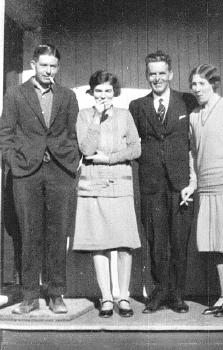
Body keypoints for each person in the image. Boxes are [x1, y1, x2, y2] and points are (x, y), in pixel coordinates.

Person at [0, 44, 80, 314]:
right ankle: (30, 295)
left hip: (59, 171)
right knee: (29, 233)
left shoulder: (67, 96)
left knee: (58, 233)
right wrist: (12, 159)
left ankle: (56, 293)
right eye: (44, 65)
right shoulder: (15, 94)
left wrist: (71, 161)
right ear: (34, 64)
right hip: (25, 172)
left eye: (53, 66)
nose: (49, 71)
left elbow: (73, 133)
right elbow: (6, 132)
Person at [129, 50, 197, 314]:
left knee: (179, 241)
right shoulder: (138, 106)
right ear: (147, 76)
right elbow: (133, 145)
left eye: (161, 73)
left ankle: (177, 295)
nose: (157, 78)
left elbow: (195, 141)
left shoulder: (187, 102)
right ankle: (159, 293)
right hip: (152, 186)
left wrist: (192, 178)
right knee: (156, 242)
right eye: (152, 73)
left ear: (170, 74)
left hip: (182, 185)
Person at [72, 70, 141, 318]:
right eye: (98, 91)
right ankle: (106, 297)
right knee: (98, 244)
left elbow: (136, 148)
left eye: (108, 91)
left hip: (120, 185)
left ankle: (123, 295)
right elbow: (86, 149)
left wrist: (109, 158)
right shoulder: (83, 116)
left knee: (124, 245)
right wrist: (97, 118)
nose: (103, 95)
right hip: (94, 187)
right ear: (92, 92)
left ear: (115, 93)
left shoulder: (125, 115)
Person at [182, 63, 223, 317]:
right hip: (206, 187)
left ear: (213, 84)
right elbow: (193, 153)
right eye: (193, 84)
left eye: (201, 84)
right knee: (214, 243)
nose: (196, 89)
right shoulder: (195, 116)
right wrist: (193, 183)